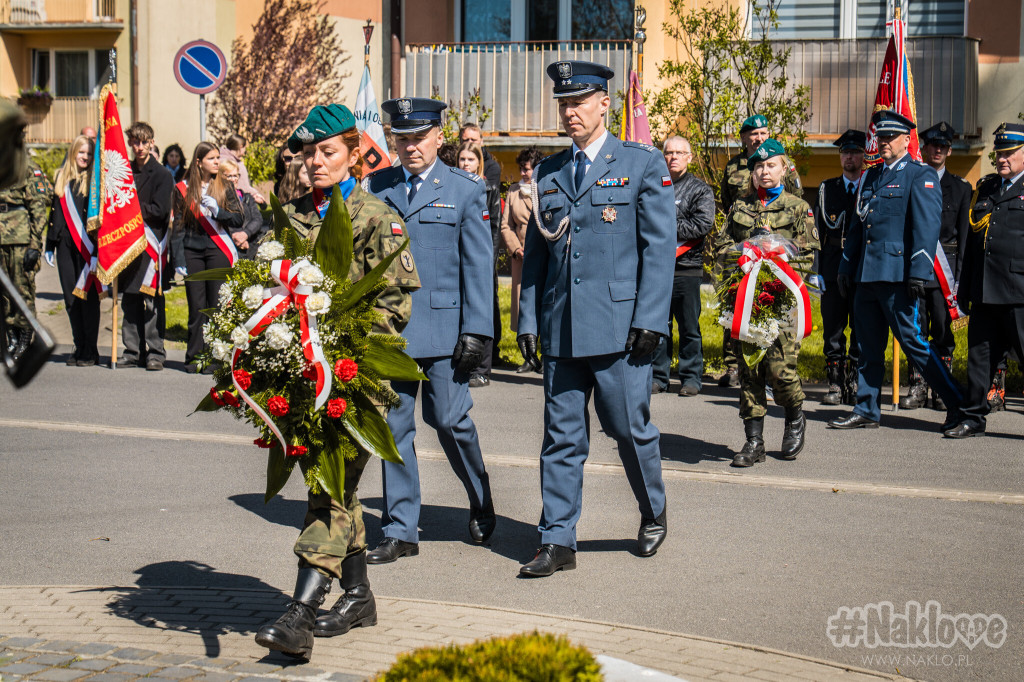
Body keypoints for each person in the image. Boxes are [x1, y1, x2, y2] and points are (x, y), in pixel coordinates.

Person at [254, 103, 419, 659]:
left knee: (329, 487)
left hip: (357, 375)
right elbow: (266, 287)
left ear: (354, 154)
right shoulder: (293, 215)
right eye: (308, 153)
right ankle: (358, 595)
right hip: (302, 377)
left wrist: (343, 348)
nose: (315, 162)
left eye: (328, 152)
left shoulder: (376, 215)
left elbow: (395, 303)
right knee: (337, 488)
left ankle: (299, 613)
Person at [516, 60, 675, 577]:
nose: (570, 112)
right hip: (562, 327)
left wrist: (651, 319)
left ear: (605, 103)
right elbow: (539, 255)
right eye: (563, 103)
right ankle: (556, 538)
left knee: (629, 429)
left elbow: (658, 248)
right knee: (561, 438)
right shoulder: (549, 172)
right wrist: (528, 321)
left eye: (579, 102)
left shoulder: (641, 164)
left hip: (619, 328)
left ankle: (652, 509)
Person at [364, 97, 495, 565]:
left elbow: (479, 266)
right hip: (391, 331)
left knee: (449, 421)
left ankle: (480, 495)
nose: (410, 146)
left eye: (419, 137)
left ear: (440, 137)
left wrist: (478, 332)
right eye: (402, 138)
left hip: (445, 330)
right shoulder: (376, 187)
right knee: (394, 429)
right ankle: (400, 528)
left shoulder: (464, 189)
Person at [829, 110, 963, 431]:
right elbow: (860, 227)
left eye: (890, 137)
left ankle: (958, 404)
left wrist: (919, 271)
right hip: (867, 276)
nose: (884, 141)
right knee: (867, 347)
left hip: (898, 276)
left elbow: (926, 228)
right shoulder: (872, 176)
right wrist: (847, 266)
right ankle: (866, 408)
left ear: (907, 140)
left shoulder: (920, 175)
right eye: (881, 136)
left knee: (914, 344)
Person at [716, 139, 819, 466]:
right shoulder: (740, 207)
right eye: (758, 166)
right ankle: (754, 441)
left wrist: (776, 269)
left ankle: (794, 414)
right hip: (747, 299)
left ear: (784, 168)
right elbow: (721, 247)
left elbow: (806, 255)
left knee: (779, 369)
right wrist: (743, 258)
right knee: (749, 370)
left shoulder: (798, 207)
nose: (764, 171)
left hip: (782, 300)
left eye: (770, 165)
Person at [943, 123, 1024, 438]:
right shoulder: (987, 187)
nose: (1002, 159)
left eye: (1009, 153)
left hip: (1018, 292)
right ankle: (973, 417)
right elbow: (974, 245)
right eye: (999, 153)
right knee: (978, 360)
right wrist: (965, 288)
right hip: (985, 291)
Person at [718, 114, 803, 388]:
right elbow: (727, 205)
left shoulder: (785, 167)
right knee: (738, 312)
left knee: (775, 317)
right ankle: (735, 367)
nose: (758, 137)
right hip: (744, 252)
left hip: (778, 259)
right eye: (752, 133)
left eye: (763, 132)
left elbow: (793, 204)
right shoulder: (733, 167)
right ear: (744, 138)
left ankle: (776, 373)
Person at [899, 122, 971, 412]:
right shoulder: (912, 180)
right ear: (924, 149)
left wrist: (961, 278)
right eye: (932, 145)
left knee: (942, 330)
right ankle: (918, 385)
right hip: (917, 267)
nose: (937, 150)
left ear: (949, 150)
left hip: (946, 273)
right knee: (917, 329)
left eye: (943, 146)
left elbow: (964, 235)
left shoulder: (962, 188)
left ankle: (942, 387)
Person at [171, 141, 245, 373]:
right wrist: (179, 259)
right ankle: (194, 356)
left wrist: (218, 211)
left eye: (217, 158)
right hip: (193, 250)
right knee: (196, 307)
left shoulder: (224, 185)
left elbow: (237, 220)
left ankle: (215, 357)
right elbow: (178, 227)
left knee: (216, 307)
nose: (217, 162)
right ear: (198, 162)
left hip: (217, 250)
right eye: (212, 158)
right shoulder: (182, 188)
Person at [651, 135, 715, 396]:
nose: (673, 157)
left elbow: (702, 224)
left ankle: (691, 377)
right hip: (656, 269)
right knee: (658, 325)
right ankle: (658, 376)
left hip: (686, 268)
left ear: (690, 157)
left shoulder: (700, 190)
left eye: (679, 153)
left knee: (689, 326)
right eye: (669, 152)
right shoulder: (652, 186)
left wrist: (664, 228)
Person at [814, 129, 866, 406]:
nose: (850, 157)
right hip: (833, 267)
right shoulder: (827, 189)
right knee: (833, 327)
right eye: (845, 152)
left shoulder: (870, 186)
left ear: (863, 155)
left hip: (861, 268)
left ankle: (855, 381)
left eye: (855, 152)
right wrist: (816, 270)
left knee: (860, 326)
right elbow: (817, 232)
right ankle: (835, 383)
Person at [117, 122, 174, 371]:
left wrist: (133, 209)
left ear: (151, 142)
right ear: (130, 143)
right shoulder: (124, 172)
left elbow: (160, 211)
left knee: (151, 303)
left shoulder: (161, 174)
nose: (139, 147)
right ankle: (132, 350)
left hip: (151, 246)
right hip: (128, 246)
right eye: (135, 142)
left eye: (144, 142)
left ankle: (155, 352)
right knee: (129, 300)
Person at [44, 134, 100, 366]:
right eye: (81, 152)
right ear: (73, 153)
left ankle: (91, 349)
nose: (84, 157)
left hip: (87, 247)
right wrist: (49, 245)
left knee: (87, 298)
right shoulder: (61, 179)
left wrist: (98, 252)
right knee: (70, 299)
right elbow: (55, 215)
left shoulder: (96, 182)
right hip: (65, 246)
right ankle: (78, 346)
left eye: (88, 153)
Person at [457, 140, 502, 388]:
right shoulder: (452, 186)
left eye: (470, 159)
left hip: (484, 257)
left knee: (482, 309)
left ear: (479, 163)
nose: (465, 164)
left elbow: (494, 225)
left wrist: (490, 259)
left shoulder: (487, 187)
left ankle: (483, 368)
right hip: (459, 257)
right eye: (462, 159)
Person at [1, 152, 51, 360]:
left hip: (20, 237)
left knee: (22, 288)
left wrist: (35, 243)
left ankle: (24, 336)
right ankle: (11, 336)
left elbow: (38, 207)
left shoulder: (27, 167)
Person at [500, 145, 543, 369]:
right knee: (523, 305)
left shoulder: (545, 188)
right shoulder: (513, 191)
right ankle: (528, 356)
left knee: (545, 304)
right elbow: (506, 226)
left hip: (543, 255)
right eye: (521, 169)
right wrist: (516, 248)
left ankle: (547, 354)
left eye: (526, 169)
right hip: (521, 257)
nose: (523, 173)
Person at [218, 158, 266, 259]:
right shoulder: (218, 199)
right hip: (230, 247)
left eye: (235, 175)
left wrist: (245, 234)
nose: (233, 179)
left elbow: (257, 219)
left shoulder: (247, 197)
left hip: (252, 245)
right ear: (221, 177)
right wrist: (237, 238)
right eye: (229, 176)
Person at [220, 134, 266, 204]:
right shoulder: (234, 164)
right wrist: (255, 194)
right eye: (245, 147)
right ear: (241, 147)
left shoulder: (220, 159)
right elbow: (243, 186)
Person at [459, 122, 501, 187]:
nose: (470, 142)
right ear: (460, 141)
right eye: (466, 140)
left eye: (473, 140)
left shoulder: (491, 167)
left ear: (481, 141)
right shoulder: (453, 164)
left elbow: (489, 193)